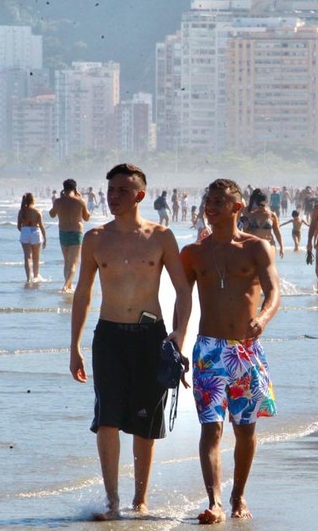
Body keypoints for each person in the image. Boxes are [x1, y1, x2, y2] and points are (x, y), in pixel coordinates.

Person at [69, 163, 192, 521]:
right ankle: (112, 501)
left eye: (123, 190)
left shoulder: (161, 236)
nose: (114, 196)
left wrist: (180, 335)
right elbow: (82, 294)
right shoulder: (95, 238)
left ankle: (140, 500)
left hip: (150, 337)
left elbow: (183, 290)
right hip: (108, 337)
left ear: (140, 195)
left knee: (143, 422)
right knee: (106, 419)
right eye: (110, 190)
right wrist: (74, 345)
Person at [180, 179, 279, 524]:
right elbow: (182, 301)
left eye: (219, 201)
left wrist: (263, 318)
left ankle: (238, 496)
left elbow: (273, 291)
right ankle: (215, 501)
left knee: (245, 430)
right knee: (211, 428)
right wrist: (176, 343)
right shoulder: (193, 253)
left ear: (237, 208)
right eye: (209, 200)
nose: (211, 206)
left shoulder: (256, 248)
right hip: (208, 349)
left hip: (247, 351)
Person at [49, 178, 91, 293]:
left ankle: (69, 285)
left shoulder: (58, 201)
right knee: (73, 262)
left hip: (63, 232)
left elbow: (52, 214)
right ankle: (66, 285)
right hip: (76, 232)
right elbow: (87, 218)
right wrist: (81, 200)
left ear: (64, 188)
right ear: (75, 188)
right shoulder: (79, 201)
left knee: (67, 261)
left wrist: (60, 200)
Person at [17, 192, 47, 285]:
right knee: (36, 257)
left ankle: (28, 278)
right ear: (33, 200)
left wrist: (25, 230)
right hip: (35, 231)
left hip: (25, 231)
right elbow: (42, 226)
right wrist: (45, 238)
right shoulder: (37, 211)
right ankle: (36, 277)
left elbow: (18, 226)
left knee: (27, 257)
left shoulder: (21, 211)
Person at [244, 193, 283, 258]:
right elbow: (245, 233)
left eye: (263, 205)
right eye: (259, 204)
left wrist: (281, 246)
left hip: (269, 244)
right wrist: (245, 229)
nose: (261, 207)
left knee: (269, 266)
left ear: (266, 203)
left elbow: (277, 231)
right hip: (255, 246)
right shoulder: (251, 215)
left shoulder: (272, 215)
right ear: (256, 203)